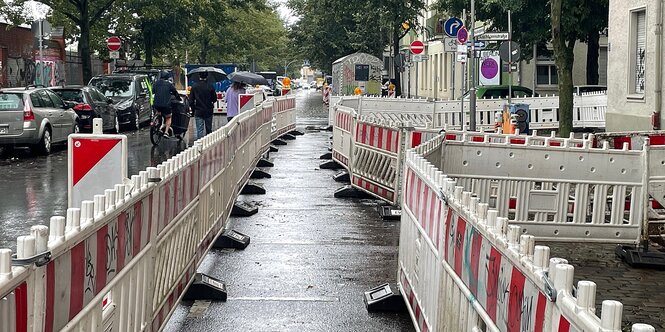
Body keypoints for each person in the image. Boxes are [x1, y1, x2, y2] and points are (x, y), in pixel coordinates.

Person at [189, 72, 217, 140]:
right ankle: (209, 142)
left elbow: (191, 101)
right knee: (209, 129)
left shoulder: (194, 86)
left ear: (199, 76)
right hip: (208, 110)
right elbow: (214, 99)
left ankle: (200, 144)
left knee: (199, 130)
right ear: (207, 77)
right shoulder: (210, 86)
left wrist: (193, 110)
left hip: (198, 110)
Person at [153, 71, 181, 137]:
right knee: (168, 117)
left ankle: (157, 123)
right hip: (166, 105)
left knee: (158, 113)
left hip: (156, 104)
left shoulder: (155, 84)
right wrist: (178, 98)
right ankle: (166, 132)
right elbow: (175, 92)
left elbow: (153, 91)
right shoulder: (169, 84)